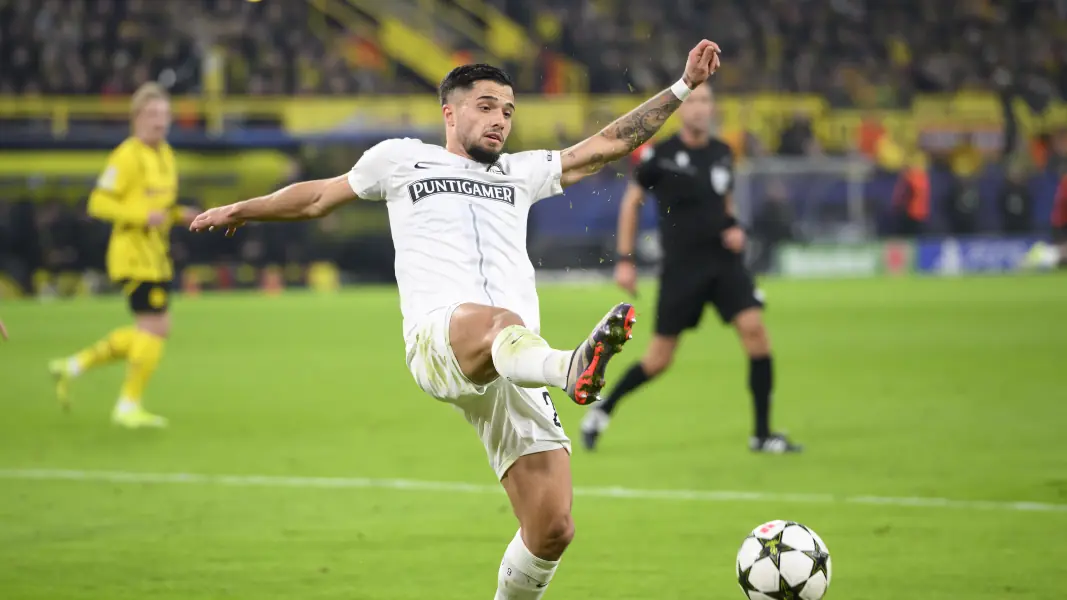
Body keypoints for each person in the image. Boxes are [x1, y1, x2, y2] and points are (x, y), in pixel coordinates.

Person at [190, 41, 721, 599]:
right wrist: (243, 208)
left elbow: (607, 146)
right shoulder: (400, 159)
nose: (500, 121)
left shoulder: (520, 173)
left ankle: (559, 372)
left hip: (515, 359)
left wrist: (682, 87)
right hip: (441, 339)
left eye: (509, 111)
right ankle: (571, 367)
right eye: (487, 106)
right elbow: (320, 196)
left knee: (551, 527)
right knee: (499, 321)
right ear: (451, 110)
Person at [580, 83, 802, 454]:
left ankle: (762, 434)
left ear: (712, 109)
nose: (700, 108)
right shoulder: (659, 156)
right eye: (693, 101)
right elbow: (631, 202)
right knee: (659, 359)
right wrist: (624, 260)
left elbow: (725, 203)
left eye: (706, 101)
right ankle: (604, 409)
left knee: (755, 332)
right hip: (682, 269)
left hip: (723, 262)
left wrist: (734, 228)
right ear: (683, 109)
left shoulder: (722, 153)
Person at [49, 83, 196, 428]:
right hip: (132, 256)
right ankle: (126, 404)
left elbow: (162, 206)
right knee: (155, 327)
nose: (159, 122)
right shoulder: (126, 155)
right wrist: (141, 216)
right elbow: (98, 202)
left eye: (164, 114)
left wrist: (182, 214)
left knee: (154, 328)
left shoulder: (166, 155)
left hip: (155, 255)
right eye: (152, 114)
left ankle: (74, 366)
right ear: (136, 119)